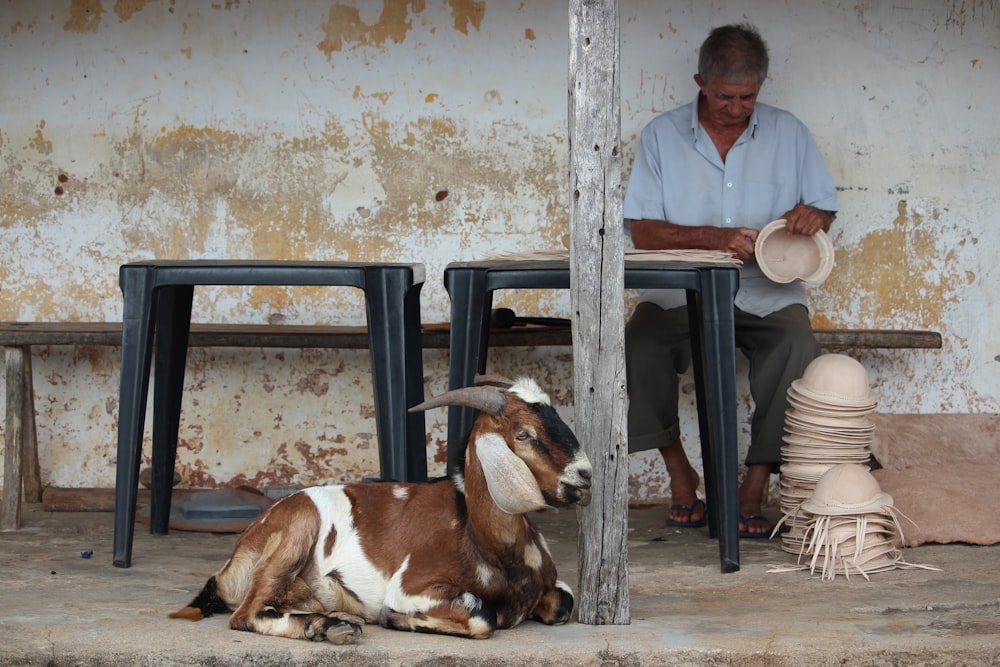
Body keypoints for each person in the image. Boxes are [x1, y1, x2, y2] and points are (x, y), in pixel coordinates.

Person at [623, 23, 838, 537]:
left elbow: (823, 208)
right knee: (639, 346)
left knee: (796, 348)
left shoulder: (790, 133)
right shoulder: (662, 135)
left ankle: (754, 484)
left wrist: (813, 218)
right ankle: (680, 472)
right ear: (700, 81)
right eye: (724, 96)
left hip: (768, 288)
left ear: (761, 87)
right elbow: (645, 232)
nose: (736, 108)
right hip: (679, 288)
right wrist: (713, 238)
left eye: (748, 97)